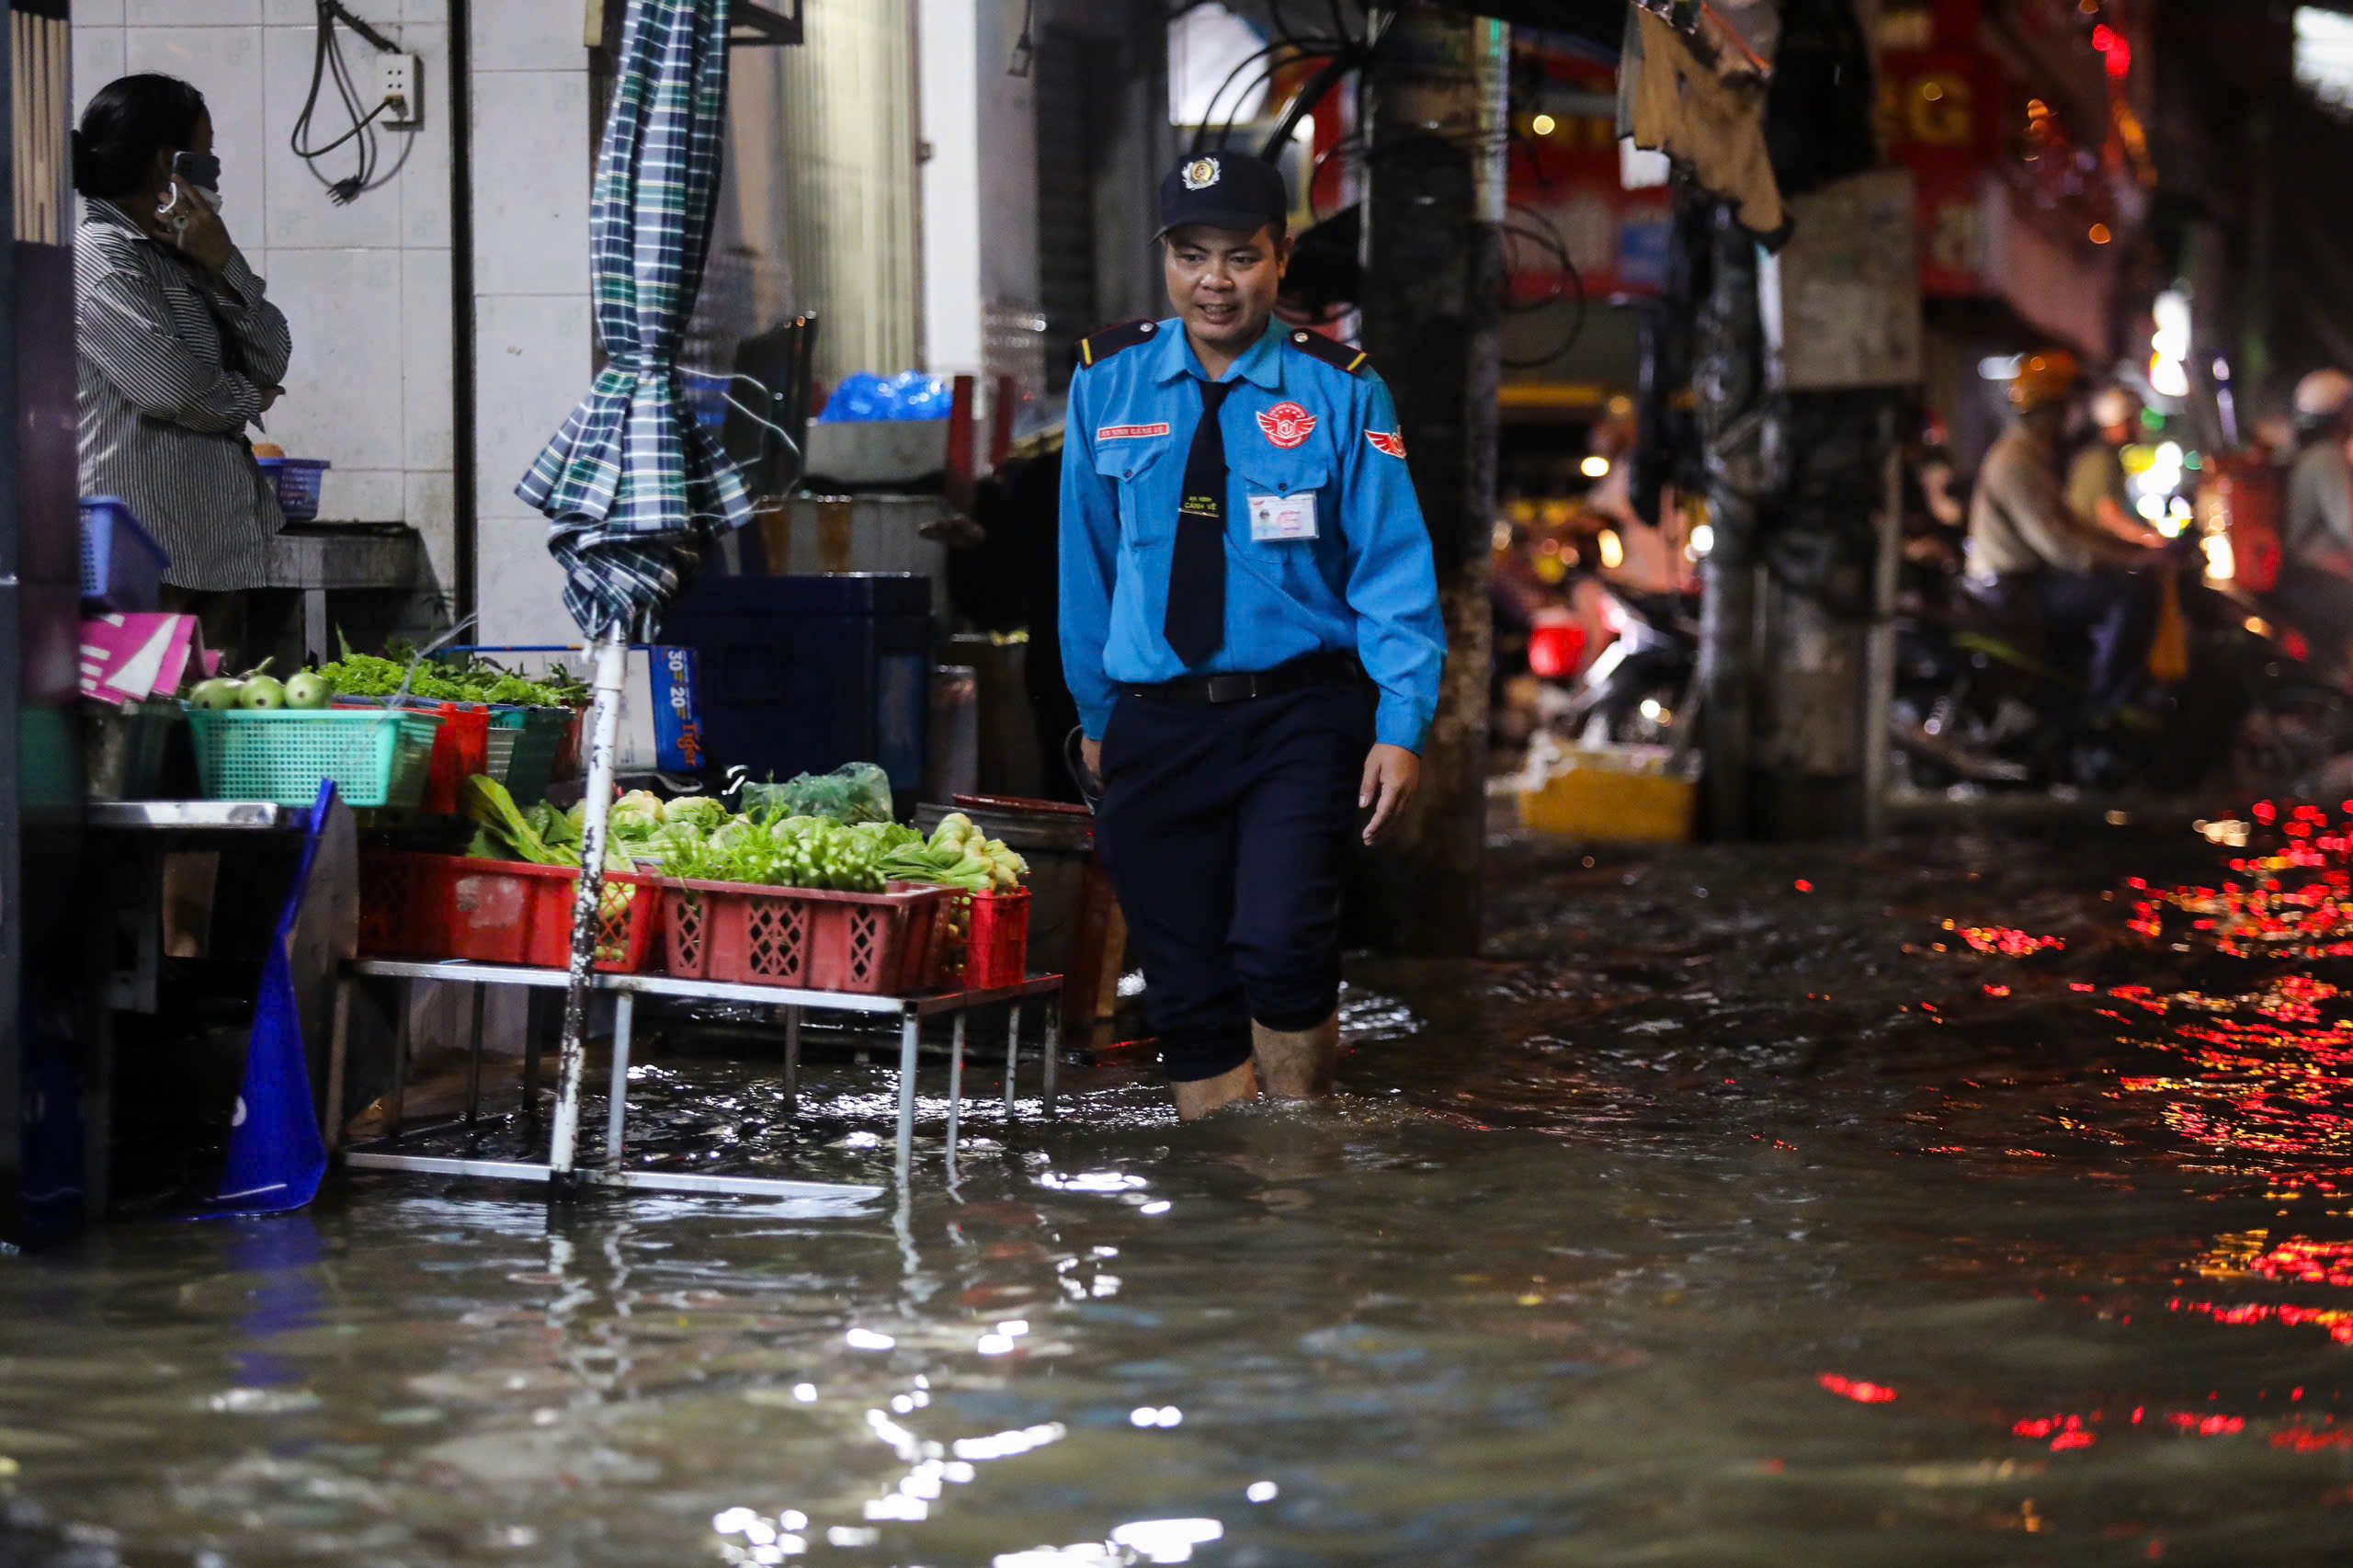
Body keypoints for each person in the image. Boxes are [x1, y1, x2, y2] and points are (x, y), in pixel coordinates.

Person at [1060, 150, 1445, 1121]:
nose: (1213, 281)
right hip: (1154, 717)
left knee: (1280, 945)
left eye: (1239, 256)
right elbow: (1088, 564)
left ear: (1279, 260)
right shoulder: (1107, 382)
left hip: (1298, 714)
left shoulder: (1342, 389)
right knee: (1186, 990)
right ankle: (1233, 1230)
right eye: (1191, 256)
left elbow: (1393, 570)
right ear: (1166, 261)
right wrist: (1096, 712)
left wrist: (1401, 724)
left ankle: (1302, 1166)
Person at [74, 74, 290, 665]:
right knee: (150, 734)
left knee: (213, 727)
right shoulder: (103, 263)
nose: (214, 171)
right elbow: (175, 390)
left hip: (216, 545)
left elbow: (273, 355)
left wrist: (223, 263)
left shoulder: (185, 251)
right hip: (146, 555)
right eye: (208, 154)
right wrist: (251, 396)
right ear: (173, 160)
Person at [1964, 350, 2162, 715]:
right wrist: (2128, 558)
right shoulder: (2019, 460)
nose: (2078, 413)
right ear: (2053, 408)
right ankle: (2107, 706)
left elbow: (2072, 523)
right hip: (2013, 587)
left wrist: (2128, 551)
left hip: (2025, 579)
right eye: (2072, 403)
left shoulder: (2033, 454)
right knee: (2129, 592)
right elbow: (2057, 542)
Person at [2274, 368, 2353, 676]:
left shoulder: (2307, 454)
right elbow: (2348, 525)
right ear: (2340, 411)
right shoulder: (2327, 457)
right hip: (2316, 580)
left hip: (2305, 578)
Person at [2066, 386, 2168, 550]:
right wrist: (2151, 539)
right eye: (2133, 419)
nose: (2139, 426)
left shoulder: (2103, 456)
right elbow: (2110, 517)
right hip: (2094, 557)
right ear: (2119, 423)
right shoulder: (2102, 460)